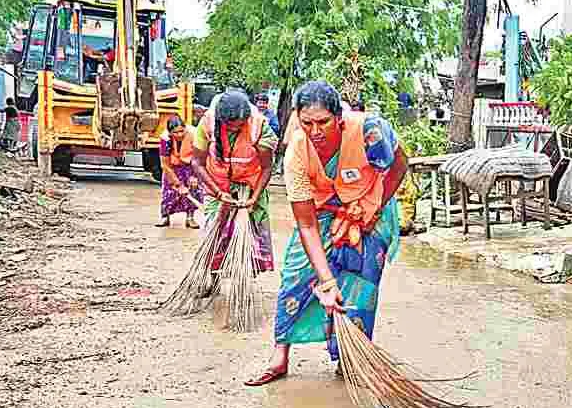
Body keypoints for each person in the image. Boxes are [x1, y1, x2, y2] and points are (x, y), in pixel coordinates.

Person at [249, 81, 407, 387]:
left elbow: (400, 166)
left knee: (361, 281)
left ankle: (350, 356)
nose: (316, 131)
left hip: (369, 205)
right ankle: (280, 354)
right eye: (307, 123)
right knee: (295, 274)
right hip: (322, 212)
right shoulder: (297, 151)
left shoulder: (370, 131)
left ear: (339, 119)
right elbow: (306, 224)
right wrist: (327, 281)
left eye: (323, 122)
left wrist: (372, 210)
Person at [191, 90, 278, 275]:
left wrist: (254, 197)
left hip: (250, 183)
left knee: (252, 234)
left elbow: (267, 167)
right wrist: (218, 193)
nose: (236, 130)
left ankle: (244, 272)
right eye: (231, 127)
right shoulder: (207, 122)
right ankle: (210, 275)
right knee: (214, 232)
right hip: (218, 183)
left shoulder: (259, 126)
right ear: (221, 120)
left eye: (240, 126)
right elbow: (197, 163)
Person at [156, 117, 203, 229]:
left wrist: (194, 175)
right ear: (170, 132)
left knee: (192, 191)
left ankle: (190, 218)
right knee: (169, 193)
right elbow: (165, 164)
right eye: (175, 132)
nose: (179, 134)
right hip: (172, 167)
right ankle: (165, 217)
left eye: (182, 131)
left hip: (190, 166)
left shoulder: (194, 135)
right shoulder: (165, 139)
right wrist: (177, 184)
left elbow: (199, 157)